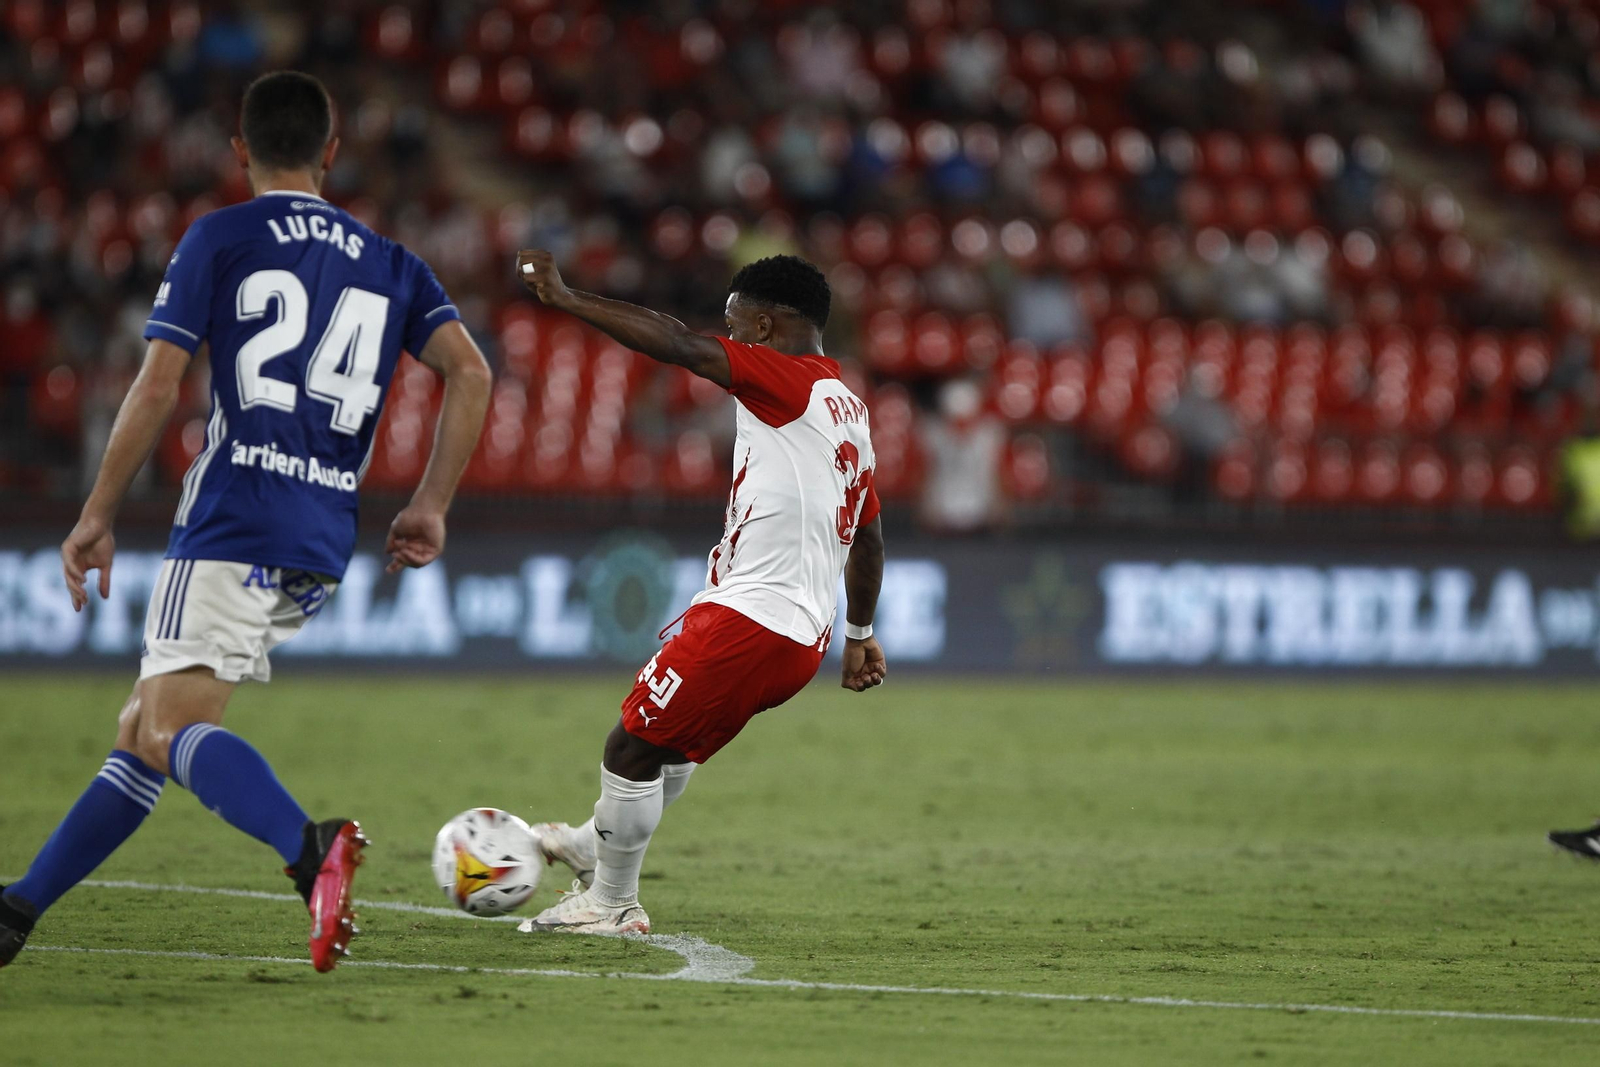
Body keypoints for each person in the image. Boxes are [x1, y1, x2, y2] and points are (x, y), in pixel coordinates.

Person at [0, 72, 492, 972]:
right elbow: (473, 373)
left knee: (166, 726)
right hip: (319, 535)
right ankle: (19, 908)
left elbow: (158, 384)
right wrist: (429, 503)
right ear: (331, 153)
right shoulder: (393, 261)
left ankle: (311, 851)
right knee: (143, 730)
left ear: (240, 152)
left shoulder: (220, 236)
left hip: (232, 515)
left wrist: (97, 513)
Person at [513, 250, 887, 934]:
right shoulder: (849, 410)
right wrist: (859, 636)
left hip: (756, 618)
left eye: (736, 324)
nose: (729, 337)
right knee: (671, 748)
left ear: (769, 327)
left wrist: (567, 300)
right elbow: (868, 538)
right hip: (799, 632)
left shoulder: (785, 378)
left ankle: (611, 902)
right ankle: (588, 841)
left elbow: (680, 346)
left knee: (630, 747)